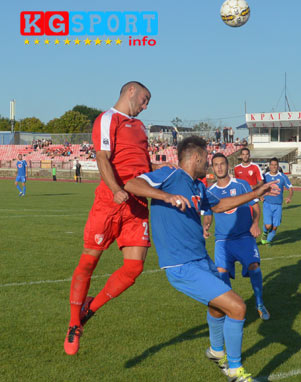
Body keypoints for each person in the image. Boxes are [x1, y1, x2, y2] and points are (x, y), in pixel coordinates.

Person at [125, 136, 279, 382]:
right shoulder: (169, 175)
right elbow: (131, 185)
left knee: (218, 307)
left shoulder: (198, 186)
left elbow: (219, 205)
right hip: (181, 265)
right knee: (238, 307)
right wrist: (165, 197)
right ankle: (235, 372)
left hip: (201, 259)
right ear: (196, 157)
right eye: (207, 158)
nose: (209, 163)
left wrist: (257, 192)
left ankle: (216, 351)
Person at [64, 81, 170, 355]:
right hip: (111, 202)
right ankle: (74, 323)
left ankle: (90, 309)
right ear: (131, 91)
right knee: (89, 262)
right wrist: (115, 189)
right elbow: (102, 157)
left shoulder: (140, 127)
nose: (145, 107)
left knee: (134, 269)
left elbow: (143, 166)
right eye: (145, 100)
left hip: (137, 202)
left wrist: (164, 168)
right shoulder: (108, 118)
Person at [205, 153, 272, 321]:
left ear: (228, 166)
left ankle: (259, 303)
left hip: (244, 237)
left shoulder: (241, 185)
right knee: (221, 273)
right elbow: (208, 214)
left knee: (254, 267)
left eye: (222, 164)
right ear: (212, 168)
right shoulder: (210, 192)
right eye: (216, 164)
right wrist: (206, 225)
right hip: (222, 240)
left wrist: (255, 223)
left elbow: (255, 206)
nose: (219, 167)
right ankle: (229, 308)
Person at [261, 157, 293, 245]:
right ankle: (264, 233)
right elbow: (259, 187)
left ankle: (268, 241)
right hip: (267, 204)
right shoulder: (265, 176)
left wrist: (289, 197)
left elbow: (290, 188)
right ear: (269, 166)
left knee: (275, 227)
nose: (274, 167)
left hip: (278, 205)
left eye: (275, 165)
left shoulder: (282, 177)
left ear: (278, 166)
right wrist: (261, 196)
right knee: (268, 226)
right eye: (272, 165)